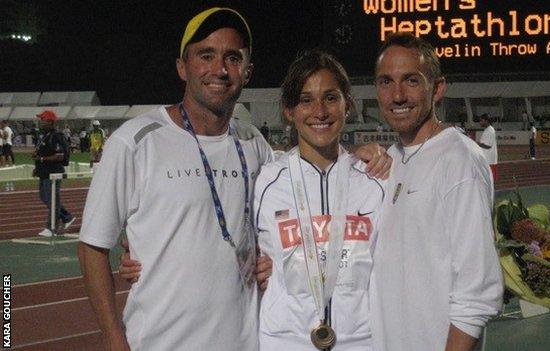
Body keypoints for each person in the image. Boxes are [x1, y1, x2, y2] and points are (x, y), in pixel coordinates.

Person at [79, 6, 392, 351]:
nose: (220, 69)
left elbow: (296, 200)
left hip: (242, 342)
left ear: (247, 71)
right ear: (182, 67)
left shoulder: (253, 143)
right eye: (206, 55)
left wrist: (369, 153)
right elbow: (92, 246)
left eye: (232, 58)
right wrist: (112, 338)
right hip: (158, 342)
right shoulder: (135, 142)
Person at [369, 33, 503, 351]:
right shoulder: (390, 158)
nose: (397, 95)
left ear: (438, 88)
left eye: (411, 81)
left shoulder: (459, 160)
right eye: (386, 82)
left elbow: (477, 291)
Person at [255, 50, 385, 350]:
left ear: (347, 105)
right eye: (305, 100)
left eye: (330, 97)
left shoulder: (375, 180)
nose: (320, 111)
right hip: (285, 341)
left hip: (362, 341)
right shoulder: (266, 183)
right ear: (289, 110)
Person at [32, 110, 75, 237]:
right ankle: (66, 217)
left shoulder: (56, 136)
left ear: (50, 122)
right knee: (45, 198)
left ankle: (52, 228)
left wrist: (41, 159)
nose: (40, 122)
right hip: (44, 172)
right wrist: (37, 167)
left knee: (52, 200)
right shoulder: (45, 135)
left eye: (43, 119)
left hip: (53, 173)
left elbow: (60, 156)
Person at [477, 113, 498, 182]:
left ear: (486, 121)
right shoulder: (487, 130)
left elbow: (488, 146)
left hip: (489, 160)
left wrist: (477, 144)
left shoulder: (490, 130)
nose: (480, 122)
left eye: (481, 120)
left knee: (489, 180)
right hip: (487, 159)